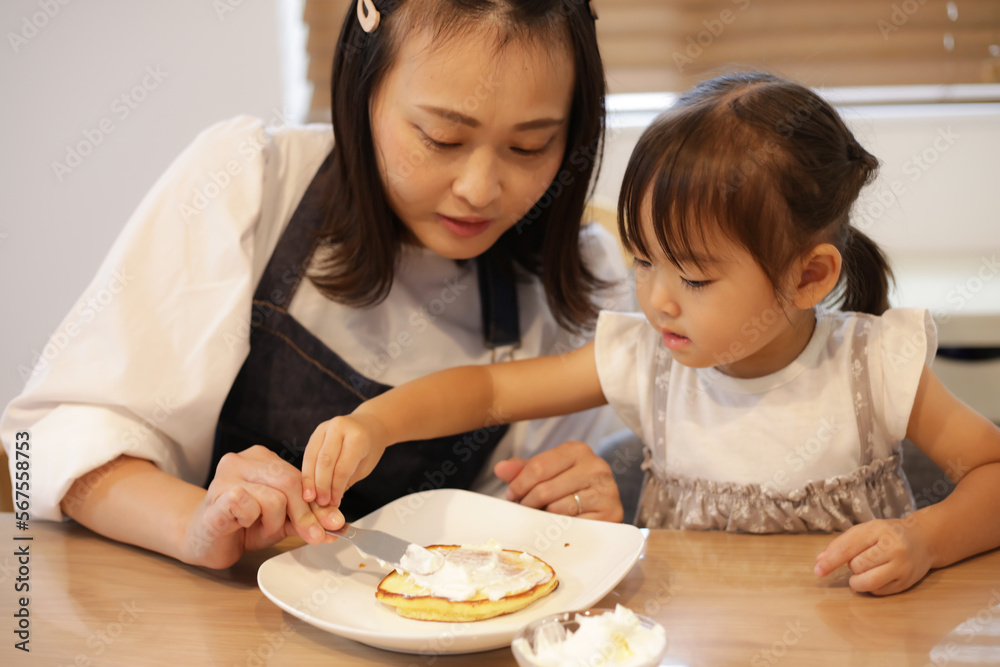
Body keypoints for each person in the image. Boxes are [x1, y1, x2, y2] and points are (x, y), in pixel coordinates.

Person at [302, 71, 1000, 596]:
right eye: (642, 259)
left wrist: (925, 540)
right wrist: (375, 423)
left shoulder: (873, 365)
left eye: (693, 279)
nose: (656, 299)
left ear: (808, 277)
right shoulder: (648, 359)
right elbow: (489, 389)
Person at [0, 0, 631, 569]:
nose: (479, 189)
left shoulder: (577, 286)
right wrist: (194, 524)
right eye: (442, 138)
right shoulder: (251, 186)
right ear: (364, 88)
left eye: (530, 147)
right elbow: (50, 444)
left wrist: (569, 510)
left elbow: (510, 539)